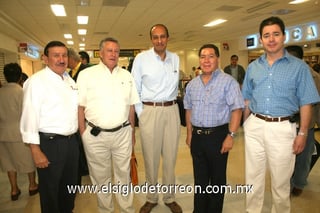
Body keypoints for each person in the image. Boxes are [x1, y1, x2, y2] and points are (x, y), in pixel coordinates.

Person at [242, 16, 320, 213]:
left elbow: (306, 102)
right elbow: (247, 99)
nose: (271, 39)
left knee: (281, 181)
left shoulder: (299, 67)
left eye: (275, 34)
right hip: (255, 126)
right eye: (266, 35)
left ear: (283, 37)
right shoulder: (253, 67)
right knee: (253, 177)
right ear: (261, 39)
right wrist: (246, 124)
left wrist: (302, 133)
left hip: (282, 128)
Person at [77, 37, 139, 213]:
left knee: (123, 175)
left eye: (116, 51)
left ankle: (127, 209)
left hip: (122, 134)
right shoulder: (86, 75)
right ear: (101, 53)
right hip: (95, 136)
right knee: (100, 177)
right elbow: (80, 107)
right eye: (109, 50)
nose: (113, 54)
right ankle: (106, 209)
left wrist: (132, 132)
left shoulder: (126, 76)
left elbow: (131, 107)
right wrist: (83, 133)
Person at [20, 41, 79, 213]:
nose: (61, 59)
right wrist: (35, 150)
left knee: (69, 188)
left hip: (71, 143)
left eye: (64, 55)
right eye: (56, 55)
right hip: (50, 144)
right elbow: (29, 117)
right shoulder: (36, 82)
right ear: (45, 58)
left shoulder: (69, 79)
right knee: (50, 192)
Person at [184, 44, 244, 213]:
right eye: (203, 56)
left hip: (218, 136)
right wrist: (189, 134)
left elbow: (237, 109)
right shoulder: (192, 85)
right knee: (200, 179)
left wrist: (231, 136)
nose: (207, 60)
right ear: (199, 60)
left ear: (218, 59)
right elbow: (188, 109)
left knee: (217, 180)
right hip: (197, 137)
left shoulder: (228, 82)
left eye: (211, 56)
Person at [131, 24, 182, 213]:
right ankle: (151, 198)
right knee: (151, 159)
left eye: (163, 37)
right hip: (150, 111)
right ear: (151, 39)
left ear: (168, 38)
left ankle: (169, 197)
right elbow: (134, 88)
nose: (159, 40)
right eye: (155, 37)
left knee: (170, 158)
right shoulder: (141, 59)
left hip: (171, 110)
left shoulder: (175, 59)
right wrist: (141, 114)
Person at [285, 45, 320, 196]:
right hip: (286, 123)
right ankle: (287, 180)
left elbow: (311, 102)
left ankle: (299, 182)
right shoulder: (286, 74)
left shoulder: (313, 77)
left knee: (303, 156)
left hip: (306, 125)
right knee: (286, 154)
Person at [0, 63, 38, 201]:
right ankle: (32, 186)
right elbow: (26, 114)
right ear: (20, 75)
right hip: (19, 133)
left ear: (5, 75)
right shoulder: (21, 92)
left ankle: (14, 189)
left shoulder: (1, 91)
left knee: (8, 163)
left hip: (3, 133)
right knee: (27, 161)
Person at [67, 48, 90, 187]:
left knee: (84, 142)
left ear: (72, 58)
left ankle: (85, 167)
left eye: (65, 57)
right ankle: (82, 167)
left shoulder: (85, 71)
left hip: (86, 113)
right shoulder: (70, 73)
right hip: (75, 113)